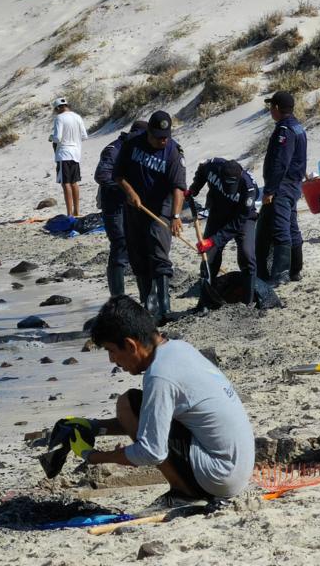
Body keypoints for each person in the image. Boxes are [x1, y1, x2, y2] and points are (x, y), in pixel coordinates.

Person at [50, 296, 254, 506]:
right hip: (236, 469)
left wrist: (93, 456)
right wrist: (94, 427)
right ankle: (187, 488)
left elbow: (151, 452)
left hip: (218, 477)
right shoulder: (178, 349)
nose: (112, 360)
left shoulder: (160, 376)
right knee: (133, 406)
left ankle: (184, 493)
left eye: (111, 351)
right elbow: (153, 421)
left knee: (127, 403)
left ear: (130, 345)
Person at [113, 110, 186, 321]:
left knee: (159, 253)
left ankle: (165, 308)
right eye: (159, 137)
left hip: (161, 207)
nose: (163, 141)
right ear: (149, 133)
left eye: (166, 136)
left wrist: (176, 216)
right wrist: (131, 192)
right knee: (138, 256)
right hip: (135, 207)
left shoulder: (172, 152)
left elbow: (178, 188)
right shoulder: (132, 144)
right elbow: (118, 175)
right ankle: (148, 304)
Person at [186, 158, 259, 307]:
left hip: (243, 219)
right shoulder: (213, 167)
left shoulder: (249, 189)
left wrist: (214, 240)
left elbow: (238, 222)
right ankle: (206, 301)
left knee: (247, 254)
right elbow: (202, 169)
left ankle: (248, 302)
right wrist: (194, 188)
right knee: (209, 256)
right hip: (218, 213)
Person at [256, 91, 307, 286]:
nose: (270, 111)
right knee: (292, 226)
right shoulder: (297, 127)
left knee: (280, 227)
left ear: (276, 108)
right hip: (293, 184)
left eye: (271, 107)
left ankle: (281, 274)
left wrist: (269, 190)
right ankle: (295, 270)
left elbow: (280, 163)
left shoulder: (285, 130)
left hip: (283, 186)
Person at [94, 120, 148, 297]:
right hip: (113, 204)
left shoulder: (140, 149)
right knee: (120, 244)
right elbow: (102, 175)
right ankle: (117, 297)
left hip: (134, 205)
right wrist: (126, 191)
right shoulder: (114, 149)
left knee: (140, 247)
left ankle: (145, 296)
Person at [49, 97, 88, 218]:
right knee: (74, 182)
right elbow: (84, 136)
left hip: (64, 153)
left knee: (66, 183)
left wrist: (51, 137)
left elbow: (57, 138)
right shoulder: (77, 117)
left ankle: (69, 213)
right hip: (76, 154)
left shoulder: (59, 118)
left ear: (58, 108)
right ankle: (76, 211)